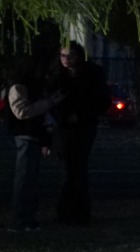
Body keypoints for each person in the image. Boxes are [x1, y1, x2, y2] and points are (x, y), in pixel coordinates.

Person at [52, 41, 110, 224]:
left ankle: (78, 212)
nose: (66, 60)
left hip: (83, 126)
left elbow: (101, 101)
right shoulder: (57, 76)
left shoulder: (92, 74)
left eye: (70, 56)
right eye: (63, 56)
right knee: (68, 169)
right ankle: (68, 212)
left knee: (77, 168)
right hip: (64, 126)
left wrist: (82, 114)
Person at [5, 57, 60, 232]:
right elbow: (22, 112)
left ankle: (26, 218)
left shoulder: (28, 86)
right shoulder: (19, 86)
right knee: (25, 179)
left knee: (28, 179)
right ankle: (21, 220)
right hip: (26, 134)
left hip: (31, 134)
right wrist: (49, 103)